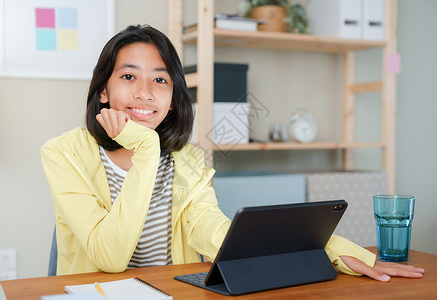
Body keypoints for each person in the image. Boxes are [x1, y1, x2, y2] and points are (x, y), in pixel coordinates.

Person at [41, 25, 424, 281]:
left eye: (160, 79)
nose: (145, 92)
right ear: (103, 91)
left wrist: (337, 251)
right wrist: (145, 147)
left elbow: (216, 234)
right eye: (128, 76)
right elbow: (109, 258)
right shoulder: (64, 154)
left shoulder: (187, 161)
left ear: (174, 99)